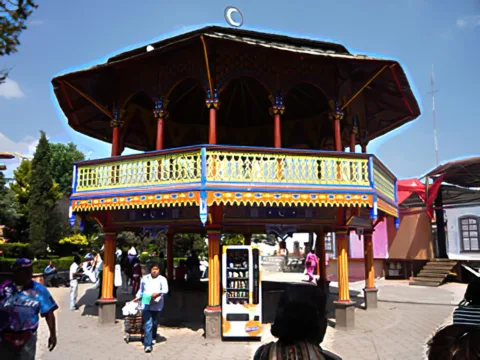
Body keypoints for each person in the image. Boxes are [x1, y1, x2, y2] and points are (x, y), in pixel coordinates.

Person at [253, 279, 340, 360]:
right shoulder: (327, 358)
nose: (326, 323)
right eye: (324, 316)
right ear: (315, 322)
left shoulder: (262, 354)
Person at [0, 258, 58, 359]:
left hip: (27, 337)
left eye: (30, 271)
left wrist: (52, 335)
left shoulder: (39, 290)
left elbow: (49, 313)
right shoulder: (4, 288)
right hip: (5, 337)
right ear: (16, 272)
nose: (29, 274)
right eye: (25, 271)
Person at [133, 263, 169, 354]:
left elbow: (165, 290)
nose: (154, 271)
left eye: (156, 269)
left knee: (154, 322)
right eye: (153, 269)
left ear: (159, 270)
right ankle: (147, 345)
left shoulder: (162, 279)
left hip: (157, 304)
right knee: (148, 324)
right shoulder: (144, 279)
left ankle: (153, 336)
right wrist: (137, 297)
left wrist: (158, 293)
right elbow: (141, 290)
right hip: (145, 303)